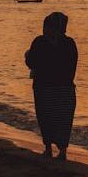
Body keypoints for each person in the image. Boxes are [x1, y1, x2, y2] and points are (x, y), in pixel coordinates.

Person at [24, 12, 78, 160]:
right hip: (65, 88)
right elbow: (73, 66)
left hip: (44, 87)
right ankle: (62, 151)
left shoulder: (39, 42)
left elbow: (31, 63)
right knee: (63, 120)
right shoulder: (69, 43)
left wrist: (27, 56)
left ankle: (48, 148)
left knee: (45, 117)